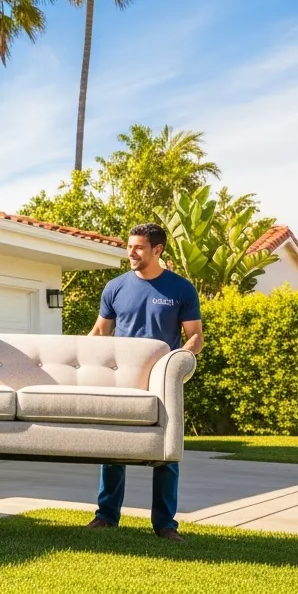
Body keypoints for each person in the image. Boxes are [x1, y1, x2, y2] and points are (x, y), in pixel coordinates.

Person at [86, 222, 203, 542]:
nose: (131, 252)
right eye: (129, 246)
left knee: (166, 451)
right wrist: (84, 363)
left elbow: (195, 337)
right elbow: (99, 332)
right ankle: (106, 516)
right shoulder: (115, 287)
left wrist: (175, 363)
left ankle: (165, 524)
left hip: (163, 382)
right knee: (113, 447)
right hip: (121, 379)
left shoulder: (180, 289)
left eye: (138, 247)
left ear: (157, 250)